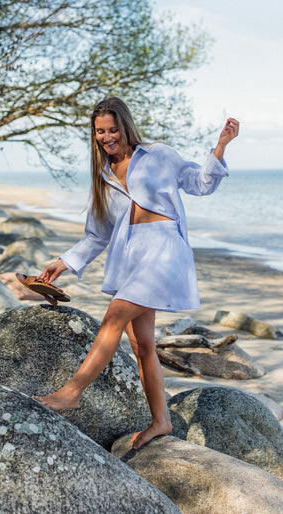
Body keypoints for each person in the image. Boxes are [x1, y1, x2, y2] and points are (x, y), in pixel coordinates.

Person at [33, 97, 239, 449]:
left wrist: (219, 148)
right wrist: (62, 262)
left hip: (164, 250)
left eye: (113, 129)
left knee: (114, 316)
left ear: (125, 126)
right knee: (142, 345)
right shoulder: (102, 176)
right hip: (131, 257)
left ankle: (72, 391)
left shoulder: (159, 154)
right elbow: (98, 235)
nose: (107, 137)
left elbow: (199, 183)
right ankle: (161, 420)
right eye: (100, 131)